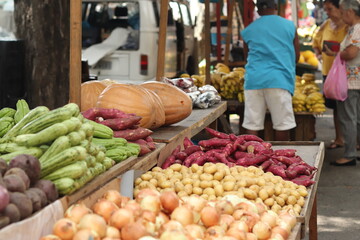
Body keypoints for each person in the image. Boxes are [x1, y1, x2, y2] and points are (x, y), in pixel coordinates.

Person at [241, 0, 300, 141]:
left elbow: (246, 57)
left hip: (254, 80)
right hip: (279, 80)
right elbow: (296, 56)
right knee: (282, 125)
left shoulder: (248, 29)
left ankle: (251, 158)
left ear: (258, 9)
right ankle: (282, 159)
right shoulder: (289, 26)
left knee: (252, 125)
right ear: (276, 7)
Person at [325, 0, 360, 166]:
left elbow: (351, 53)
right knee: (355, 117)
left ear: (350, 12)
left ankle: (350, 154)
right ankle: (354, 149)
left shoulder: (357, 29)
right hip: (353, 80)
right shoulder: (353, 29)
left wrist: (341, 53)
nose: (341, 14)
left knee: (348, 118)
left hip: (353, 82)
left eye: (342, 11)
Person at [312, 0, 348, 149]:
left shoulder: (349, 26)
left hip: (347, 74)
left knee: (350, 108)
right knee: (335, 108)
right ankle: (339, 138)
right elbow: (315, 43)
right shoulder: (326, 25)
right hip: (329, 73)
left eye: (330, 9)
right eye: (326, 9)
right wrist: (319, 54)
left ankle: (355, 140)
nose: (327, 12)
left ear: (340, 9)